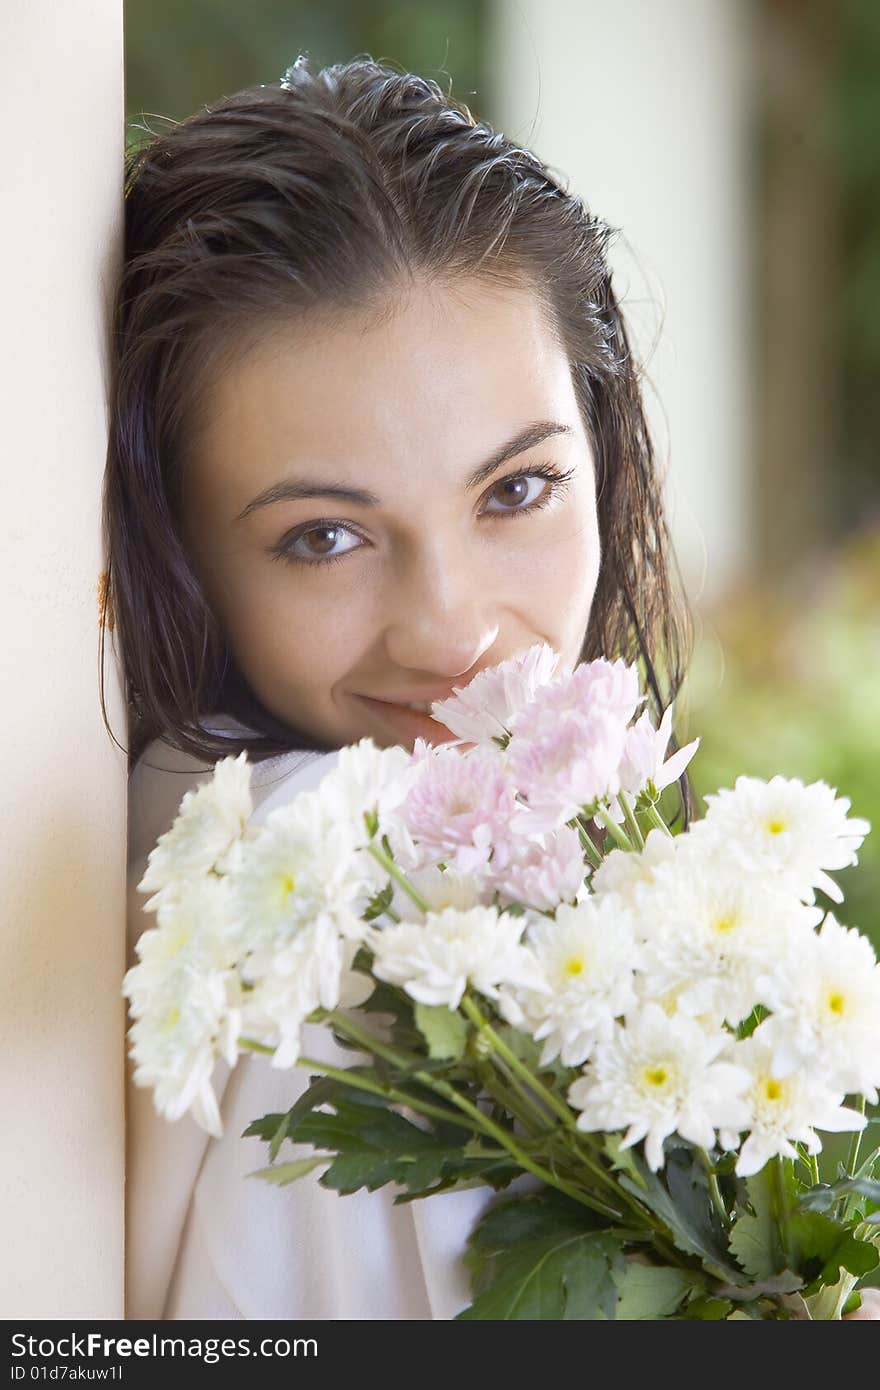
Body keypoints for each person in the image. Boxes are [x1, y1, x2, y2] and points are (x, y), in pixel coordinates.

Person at [104, 54, 878, 1322]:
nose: (452, 627)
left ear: (603, 449)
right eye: (324, 536)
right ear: (178, 553)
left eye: (515, 490)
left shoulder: (208, 828)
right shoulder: (365, 926)